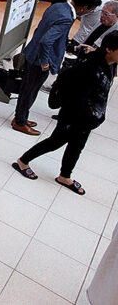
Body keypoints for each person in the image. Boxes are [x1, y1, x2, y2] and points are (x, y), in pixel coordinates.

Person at [13, 31, 118, 194]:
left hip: (89, 117)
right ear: (110, 49)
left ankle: (65, 175)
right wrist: (83, 117)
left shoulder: (110, 64)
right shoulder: (91, 66)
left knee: (77, 146)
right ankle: (23, 161)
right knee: (55, 142)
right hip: (74, 115)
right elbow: (77, 95)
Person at [11, 0, 101, 136]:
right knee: (30, 91)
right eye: (90, 10)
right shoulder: (66, 18)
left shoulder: (58, 6)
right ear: (84, 8)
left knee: (28, 89)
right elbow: (46, 41)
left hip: (32, 53)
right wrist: (45, 62)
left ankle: (21, 117)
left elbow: (42, 31)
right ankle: (20, 121)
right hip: (39, 60)